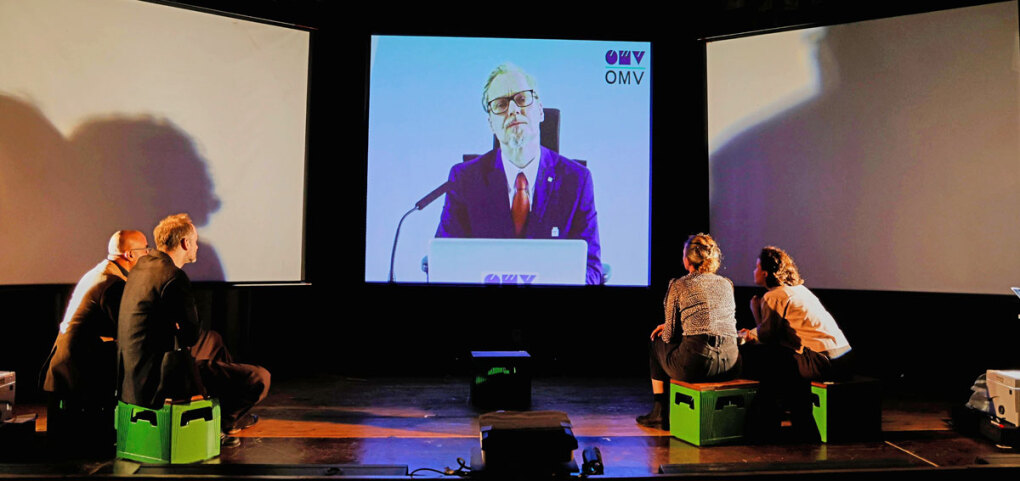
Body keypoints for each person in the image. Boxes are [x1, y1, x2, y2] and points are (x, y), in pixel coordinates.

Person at [435, 62, 603, 285]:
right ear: (491, 124)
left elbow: (592, 268)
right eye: (501, 105)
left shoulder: (577, 181)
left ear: (540, 110)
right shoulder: (464, 180)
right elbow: (445, 262)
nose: (513, 110)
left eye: (522, 99)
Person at [118, 213, 269, 446]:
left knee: (213, 339)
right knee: (259, 378)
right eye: (195, 241)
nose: (197, 246)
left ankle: (223, 413)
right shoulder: (173, 277)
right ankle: (222, 422)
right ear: (185, 243)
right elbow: (190, 334)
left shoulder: (142, 267)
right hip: (160, 374)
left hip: (135, 367)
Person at [40, 230, 149, 452]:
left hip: (65, 364)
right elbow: (130, 331)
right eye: (145, 250)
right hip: (78, 371)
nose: (148, 254)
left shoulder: (99, 272)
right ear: (129, 255)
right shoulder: (112, 283)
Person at [738, 246, 852, 439]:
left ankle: (763, 426)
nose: (754, 271)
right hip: (842, 357)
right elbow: (778, 331)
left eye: (757, 267)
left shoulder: (773, 296)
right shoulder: (799, 290)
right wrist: (753, 332)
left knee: (772, 362)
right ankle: (791, 418)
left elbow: (768, 337)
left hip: (821, 362)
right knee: (782, 360)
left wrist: (755, 311)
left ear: (765, 273)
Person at [636, 234, 740, 429]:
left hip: (697, 364)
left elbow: (669, 335)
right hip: (731, 363)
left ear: (687, 259)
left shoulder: (680, 284)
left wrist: (666, 327)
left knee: (657, 342)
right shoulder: (726, 283)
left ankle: (660, 411)